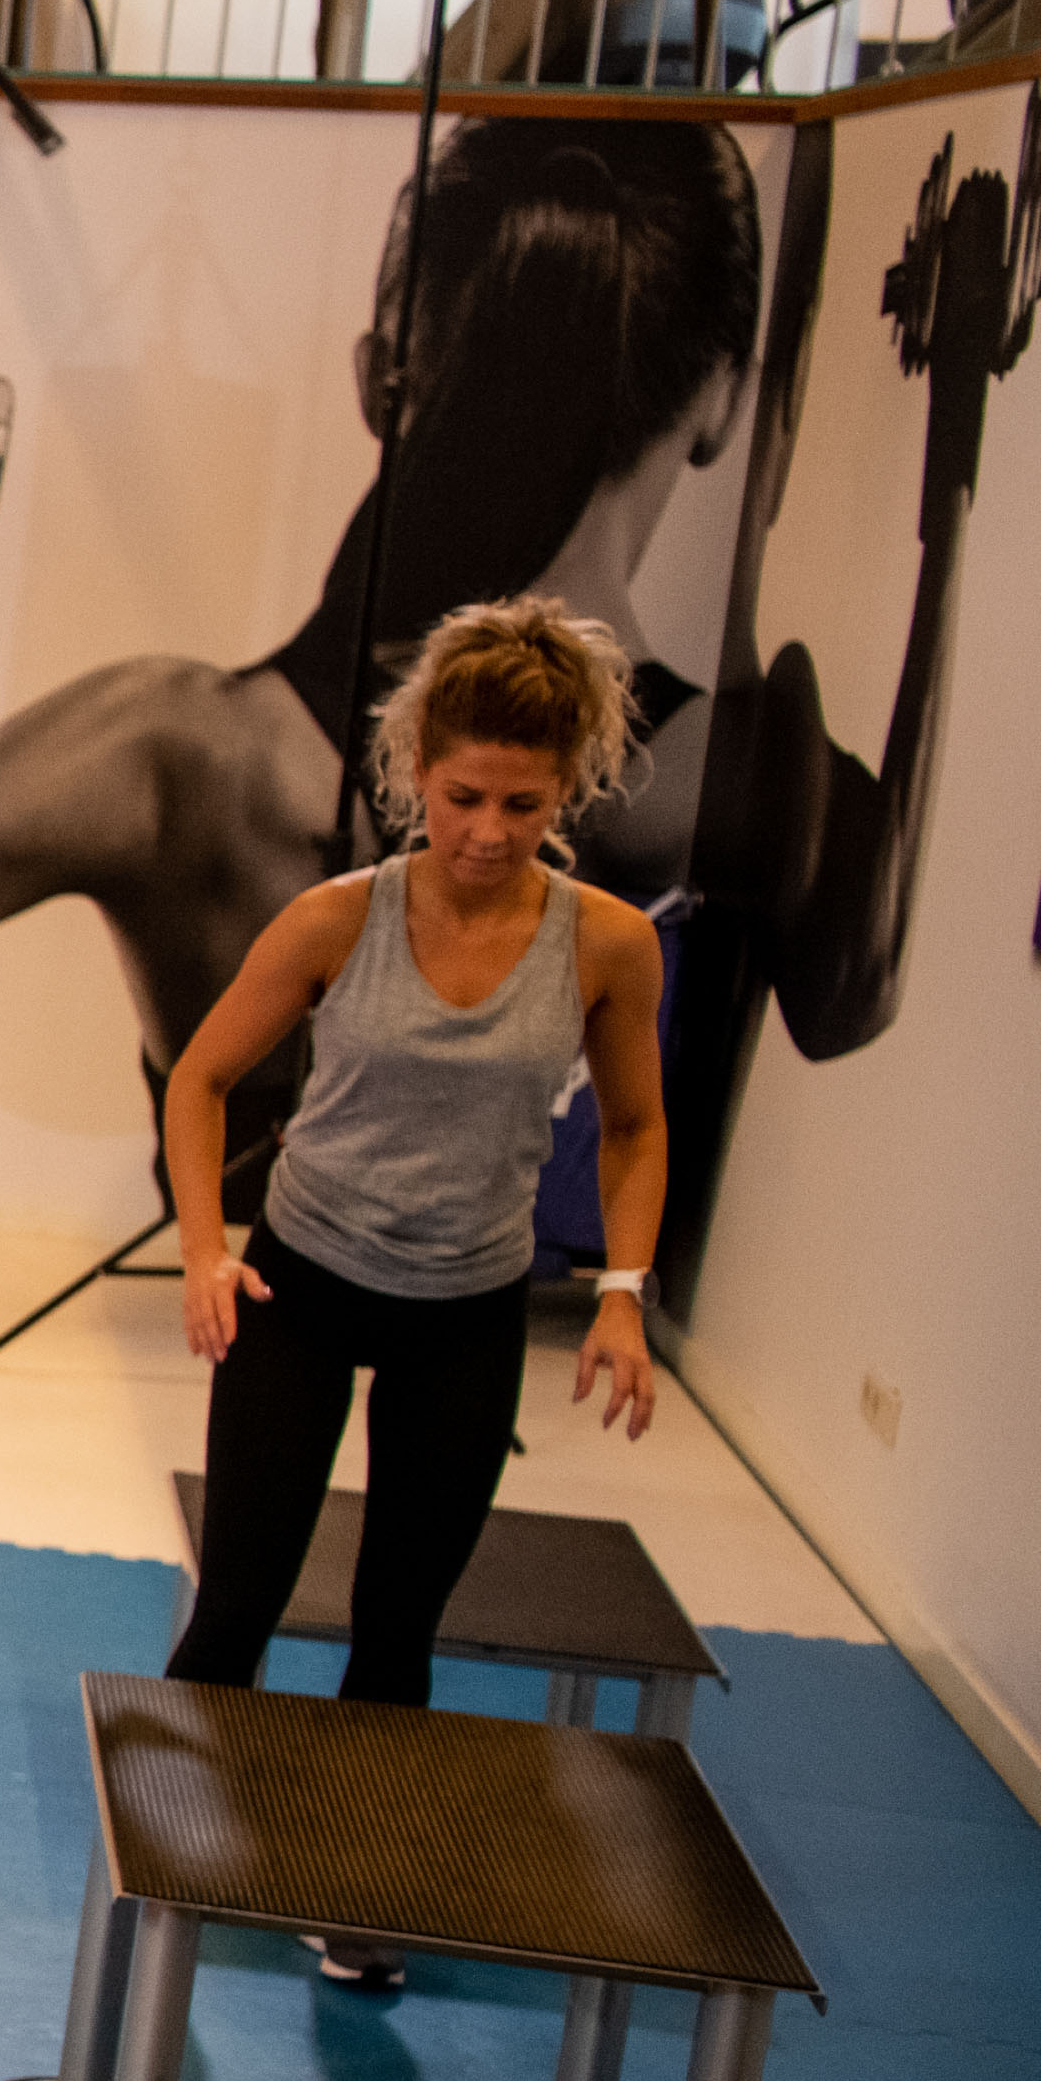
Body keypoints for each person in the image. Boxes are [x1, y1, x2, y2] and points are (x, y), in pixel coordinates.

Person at [0, 118, 758, 1086]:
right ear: (723, 400)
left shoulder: (185, 762)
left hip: (247, 1239)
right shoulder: (735, 791)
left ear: (378, 374)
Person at [157, 597, 671, 1972]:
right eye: (457, 798)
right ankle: (161, 1876)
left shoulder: (608, 944)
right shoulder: (335, 919)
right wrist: (207, 1249)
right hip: (303, 1283)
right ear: (409, 772)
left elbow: (631, 1129)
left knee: (397, 1623)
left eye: (520, 802)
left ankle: (356, 1891)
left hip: (466, 1308)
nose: (486, 832)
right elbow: (199, 1081)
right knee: (236, 1605)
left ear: (567, 789)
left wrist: (618, 1290)